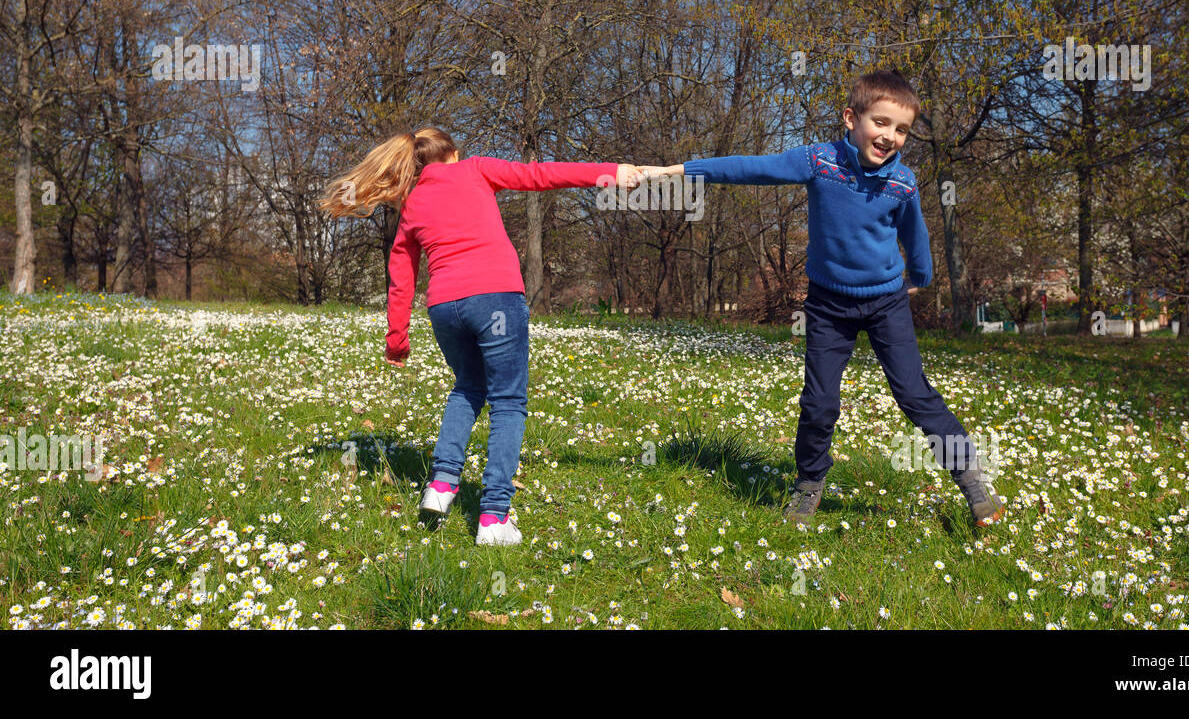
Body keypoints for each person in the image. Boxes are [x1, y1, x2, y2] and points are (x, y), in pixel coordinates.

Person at [638, 70, 1004, 528]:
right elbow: (752, 167)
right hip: (829, 305)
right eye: (881, 122)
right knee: (819, 401)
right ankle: (810, 483)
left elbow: (917, 236)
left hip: (886, 304)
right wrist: (678, 171)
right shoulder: (819, 162)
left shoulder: (903, 183)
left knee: (914, 394)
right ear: (851, 118)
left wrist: (921, 279)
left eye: (902, 129)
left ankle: (970, 478)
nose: (890, 136)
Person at [319, 128, 641, 545]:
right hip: (495, 299)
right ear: (452, 153)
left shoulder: (413, 203)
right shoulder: (477, 170)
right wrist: (611, 172)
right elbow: (543, 175)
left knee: (468, 388)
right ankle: (492, 517)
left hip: (445, 309)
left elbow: (401, 277)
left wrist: (396, 339)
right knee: (508, 401)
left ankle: (442, 484)